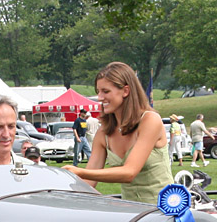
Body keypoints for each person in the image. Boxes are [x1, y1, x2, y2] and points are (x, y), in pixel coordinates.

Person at [63, 61, 171, 205]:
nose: (100, 98)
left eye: (105, 91)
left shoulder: (150, 120)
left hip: (164, 212)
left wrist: (79, 172)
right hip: (131, 215)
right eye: (98, 92)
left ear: (126, 91)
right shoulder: (103, 133)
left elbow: (129, 173)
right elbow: (88, 183)